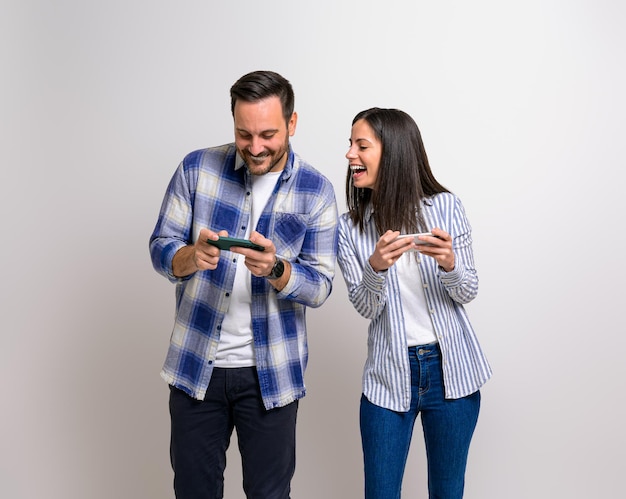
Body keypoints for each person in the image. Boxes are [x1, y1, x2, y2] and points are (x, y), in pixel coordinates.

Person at [149, 70, 338, 499]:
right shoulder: (197, 168)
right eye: (243, 133)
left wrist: (277, 270)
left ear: (292, 123)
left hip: (272, 374)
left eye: (268, 134)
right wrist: (189, 257)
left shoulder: (317, 191)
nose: (255, 147)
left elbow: (321, 286)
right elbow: (161, 247)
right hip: (197, 366)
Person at [336, 108, 492, 499]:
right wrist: (375, 266)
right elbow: (366, 307)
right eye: (350, 144)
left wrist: (449, 263)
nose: (349, 154)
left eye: (361, 146)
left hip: (451, 371)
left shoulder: (445, 207)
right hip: (389, 374)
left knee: (447, 491)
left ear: (393, 153)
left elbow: (467, 291)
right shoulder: (349, 228)